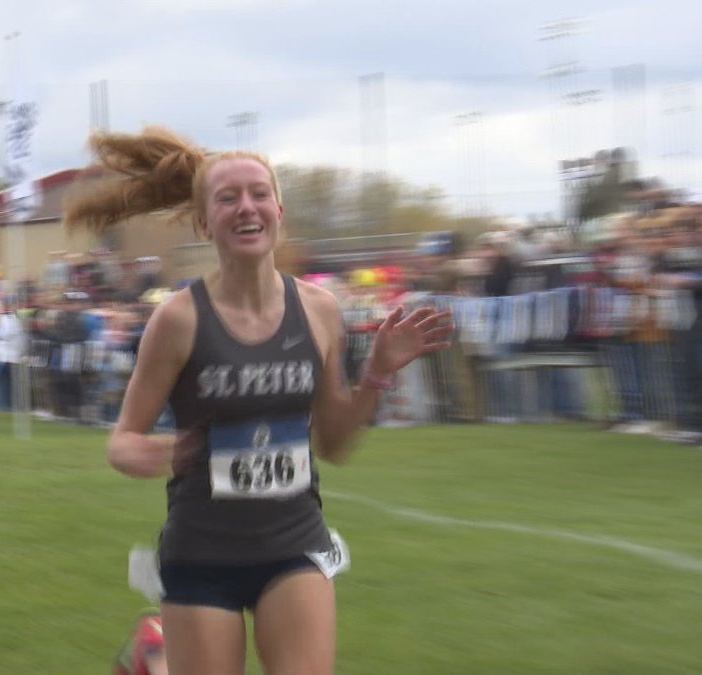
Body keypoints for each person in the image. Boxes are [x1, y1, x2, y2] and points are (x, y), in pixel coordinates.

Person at [66, 126, 453, 675]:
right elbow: (121, 443)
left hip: (294, 543)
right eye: (228, 198)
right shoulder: (177, 320)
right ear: (205, 222)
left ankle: (160, 656)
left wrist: (378, 373)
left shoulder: (319, 310)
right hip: (201, 552)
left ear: (278, 209)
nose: (246, 207)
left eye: (258, 193)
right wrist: (152, 451)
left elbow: (336, 445)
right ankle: (159, 653)